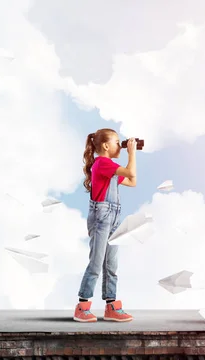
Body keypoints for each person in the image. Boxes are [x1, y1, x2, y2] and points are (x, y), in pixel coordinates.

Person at [73, 128, 137, 322]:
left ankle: (111, 306)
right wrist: (131, 153)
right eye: (118, 142)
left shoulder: (110, 168)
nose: (121, 145)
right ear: (106, 146)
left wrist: (131, 155)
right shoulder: (102, 163)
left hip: (113, 218)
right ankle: (82, 306)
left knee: (111, 264)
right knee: (96, 262)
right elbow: (130, 171)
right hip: (102, 218)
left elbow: (133, 181)